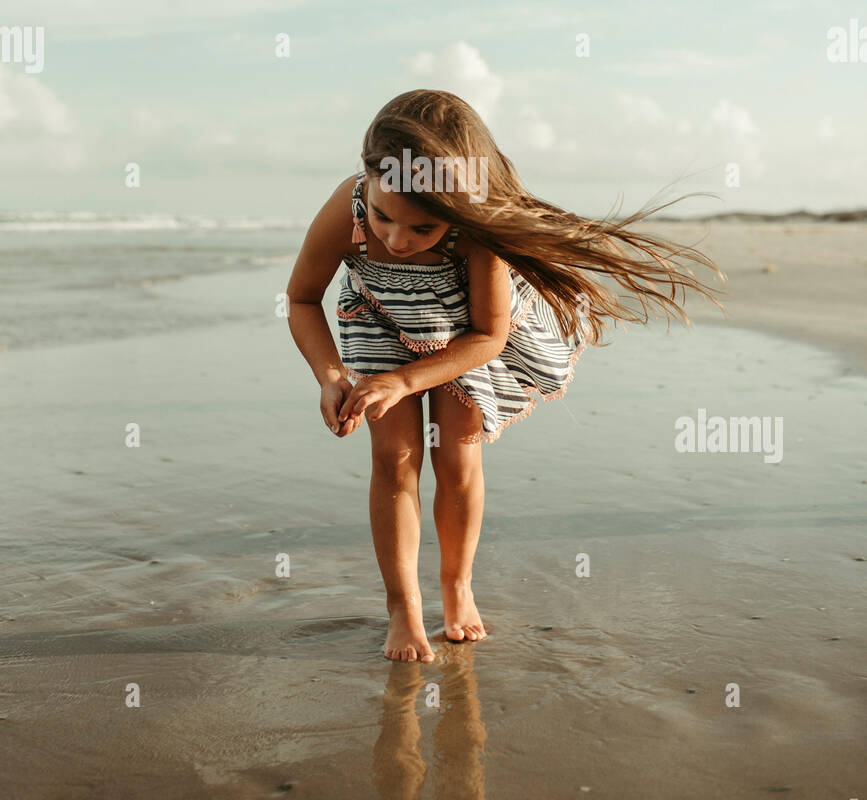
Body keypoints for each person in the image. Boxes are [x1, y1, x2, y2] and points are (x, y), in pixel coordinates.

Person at [287, 89, 724, 663]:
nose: (395, 238)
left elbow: (489, 336)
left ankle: (457, 586)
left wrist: (409, 381)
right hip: (377, 319)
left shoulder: (476, 232)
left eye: (421, 229)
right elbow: (300, 299)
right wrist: (329, 374)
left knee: (457, 459)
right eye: (383, 216)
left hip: (462, 334)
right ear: (367, 179)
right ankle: (402, 607)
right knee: (394, 460)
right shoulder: (349, 204)